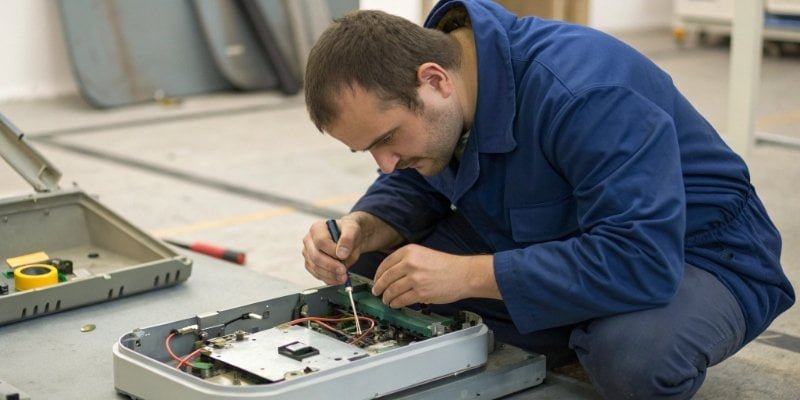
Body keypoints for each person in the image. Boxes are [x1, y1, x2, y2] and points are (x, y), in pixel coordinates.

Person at [300, 0, 795, 398]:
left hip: (694, 253)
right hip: (541, 233)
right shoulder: (451, 93)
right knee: (366, 265)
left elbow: (642, 258)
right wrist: (366, 222)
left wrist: (471, 275)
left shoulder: (587, 90)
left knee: (633, 359)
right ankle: (566, 319)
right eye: (369, 151)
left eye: (388, 139)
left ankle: (583, 327)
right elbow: (420, 170)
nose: (384, 162)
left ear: (434, 81)